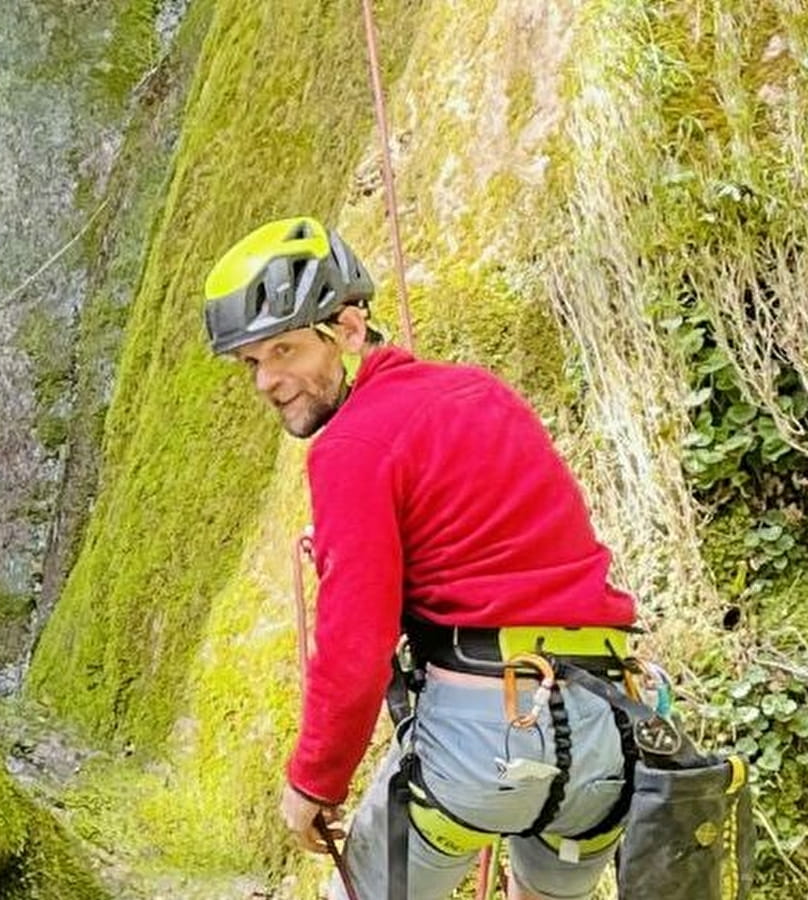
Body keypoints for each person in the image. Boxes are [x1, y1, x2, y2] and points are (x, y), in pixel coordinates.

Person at [201, 217, 638, 900]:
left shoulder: (352, 446)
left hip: (487, 737)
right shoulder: (482, 392)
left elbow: (356, 642)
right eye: (252, 363)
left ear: (348, 329)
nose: (266, 380)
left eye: (283, 350)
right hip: (609, 733)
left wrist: (313, 782)